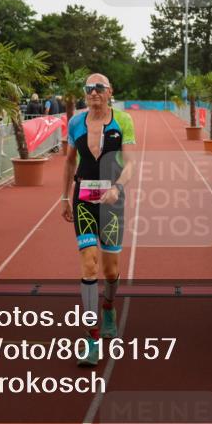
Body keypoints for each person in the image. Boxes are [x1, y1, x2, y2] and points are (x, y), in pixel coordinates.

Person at [61, 73, 136, 366]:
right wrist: (64, 197)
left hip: (113, 202)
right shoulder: (75, 123)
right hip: (83, 200)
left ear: (109, 92)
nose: (93, 92)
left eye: (99, 88)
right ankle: (92, 339)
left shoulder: (123, 121)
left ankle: (108, 307)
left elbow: (130, 163)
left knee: (110, 270)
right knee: (88, 263)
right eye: (89, 88)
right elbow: (69, 161)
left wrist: (118, 188)